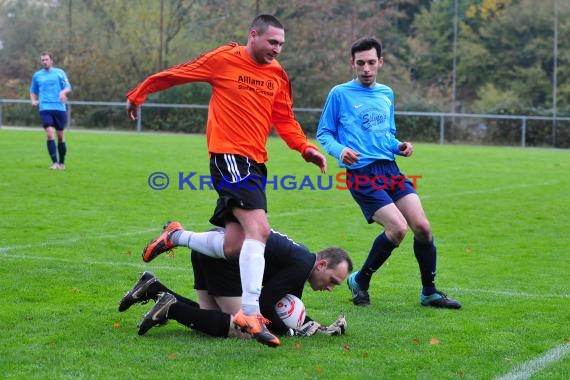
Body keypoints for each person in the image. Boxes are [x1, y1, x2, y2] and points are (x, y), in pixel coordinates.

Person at [126, 14, 326, 347]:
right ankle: (250, 312)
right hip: (230, 157)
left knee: (234, 246)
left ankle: (176, 236)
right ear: (253, 36)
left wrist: (304, 147)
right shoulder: (224, 59)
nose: (277, 49)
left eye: (281, 44)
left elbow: (285, 119)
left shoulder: (277, 74)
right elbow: (179, 73)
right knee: (259, 231)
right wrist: (140, 92)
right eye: (272, 42)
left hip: (256, 164)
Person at [316, 37, 461, 309]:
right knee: (397, 228)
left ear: (380, 62)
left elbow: (387, 135)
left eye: (372, 62)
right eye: (361, 63)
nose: (367, 68)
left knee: (423, 227)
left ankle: (429, 292)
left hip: (390, 169)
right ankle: (360, 280)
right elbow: (324, 132)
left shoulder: (386, 93)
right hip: (361, 173)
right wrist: (339, 151)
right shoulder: (339, 93)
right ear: (352, 64)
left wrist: (400, 146)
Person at [118, 229, 352, 340]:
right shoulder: (300, 266)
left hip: (209, 247)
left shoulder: (301, 259)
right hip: (222, 257)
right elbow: (268, 303)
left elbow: (288, 307)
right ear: (321, 265)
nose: (330, 288)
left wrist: (318, 327)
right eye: (333, 280)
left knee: (209, 317)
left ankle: (153, 288)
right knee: (243, 329)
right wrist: (288, 331)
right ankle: (171, 308)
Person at [30, 51, 72, 170]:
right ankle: (54, 163)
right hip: (45, 108)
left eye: (46, 59)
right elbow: (33, 90)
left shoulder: (60, 73)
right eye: (42, 60)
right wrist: (33, 100)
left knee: (60, 136)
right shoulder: (37, 75)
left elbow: (68, 87)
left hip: (59, 107)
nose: (44, 62)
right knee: (49, 134)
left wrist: (63, 92)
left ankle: (62, 163)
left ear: (51, 60)